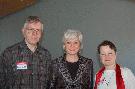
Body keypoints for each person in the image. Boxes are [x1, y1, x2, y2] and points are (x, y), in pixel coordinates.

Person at [0, 16, 51, 89]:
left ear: (41, 34)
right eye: (31, 29)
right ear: (23, 31)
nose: (34, 33)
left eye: (38, 30)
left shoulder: (46, 55)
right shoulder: (9, 53)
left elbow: (49, 83)